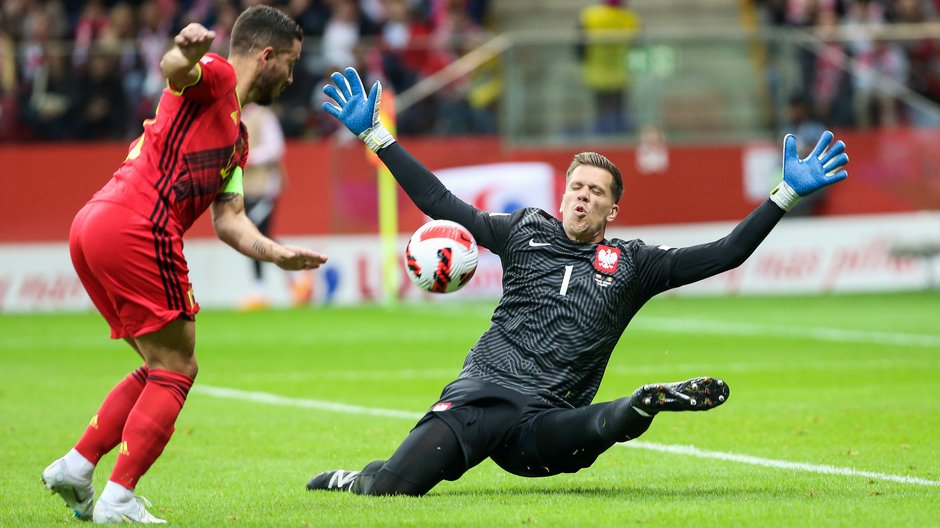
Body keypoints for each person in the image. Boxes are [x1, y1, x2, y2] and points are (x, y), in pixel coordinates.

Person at [306, 68, 848, 497]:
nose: (582, 196)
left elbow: (727, 253)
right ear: (562, 194)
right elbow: (438, 202)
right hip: (481, 393)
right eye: (575, 186)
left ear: (614, 207)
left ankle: (644, 403)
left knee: (597, 425)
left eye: (595, 190)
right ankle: (363, 478)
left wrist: (785, 196)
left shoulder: (635, 263)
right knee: (393, 489)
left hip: (546, 420)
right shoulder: (522, 231)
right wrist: (376, 135)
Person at [42, 6, 326, 524]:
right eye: (289, 62)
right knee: (178, 368)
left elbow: (231, 221)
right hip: (138, 225)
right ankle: (118, 498)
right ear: (266, 55)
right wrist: (186, 48)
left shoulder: (237, 141)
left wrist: (276, 252)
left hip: (95, 224)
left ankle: (77, 465)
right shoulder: (214, 75)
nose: (291, 76)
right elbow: (176, 69)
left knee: (160, 365)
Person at [237, 102, 312, 309]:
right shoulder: (235, 116)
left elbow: (275, 147)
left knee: (258, 235)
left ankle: (267, 288)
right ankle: (296, 282)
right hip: (246, 187)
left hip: (264, 187)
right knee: (258, 236)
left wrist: (250, 157)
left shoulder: (263, 116)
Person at [577, 0, 642, 136]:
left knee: (600, 114)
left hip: (597, 74)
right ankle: (621, 143)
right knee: (620, 113)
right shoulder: (630, 18)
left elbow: (579, 50)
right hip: (621, 74)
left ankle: (601, 143)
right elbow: (637, 48)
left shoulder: (590, 16)